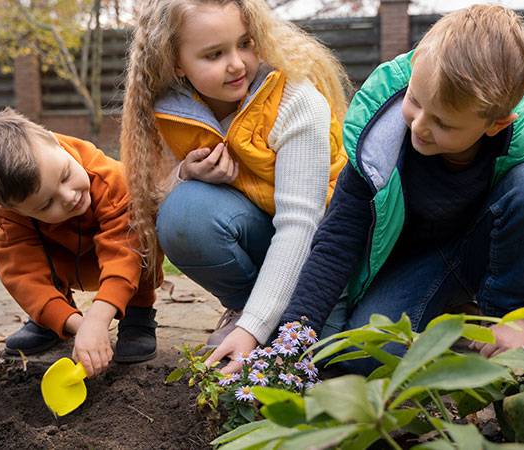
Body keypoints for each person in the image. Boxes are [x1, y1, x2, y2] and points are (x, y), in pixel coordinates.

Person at [280, 4, 524, 375]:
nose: (419, 126)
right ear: (414, 69)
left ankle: (497, 333)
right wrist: (295, 336)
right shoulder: (379, 142)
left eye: (443, 123)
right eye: (415, 102)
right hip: (413, 270)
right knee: (361, 359)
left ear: (496, 123)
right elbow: (338, 241)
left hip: (492, 258)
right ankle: (452, 327)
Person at [118, 0, 351, 372]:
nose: (237, 64)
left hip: (323, 251)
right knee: (186, 214)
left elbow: (301, 225)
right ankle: (251, 305)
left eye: (246, 43)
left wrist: (252, 331)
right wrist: (184, 175)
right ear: (177, 62)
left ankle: (267, 318)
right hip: (259, 233)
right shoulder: (171, 109)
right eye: (214, 54)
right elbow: (152, 197)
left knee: (341, 360)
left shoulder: (297, 102)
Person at [0, 108, 162, 378]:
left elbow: (123, 252)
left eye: (65, 175)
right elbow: (24, 274)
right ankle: (55, 318)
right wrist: (81, 326)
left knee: (142, 235)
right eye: (46, 204)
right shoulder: (14, 218)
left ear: (55, 142)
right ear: (14, 208)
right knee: (21, 261)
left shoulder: (112, 180)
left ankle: (138, 314)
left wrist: (99, 319)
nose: (68, 196)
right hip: (66, 258)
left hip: (118, 260)